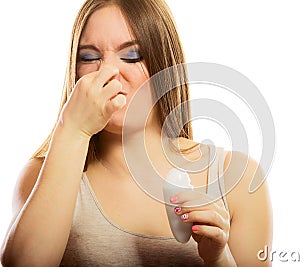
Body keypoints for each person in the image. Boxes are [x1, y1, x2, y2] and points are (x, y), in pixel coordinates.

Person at [0, 0, 272, 266]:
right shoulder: (42, 176)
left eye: (131, 55)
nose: (108, 71)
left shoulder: (236, 178)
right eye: (89, 57)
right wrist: (72, 129)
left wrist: (218, 259)